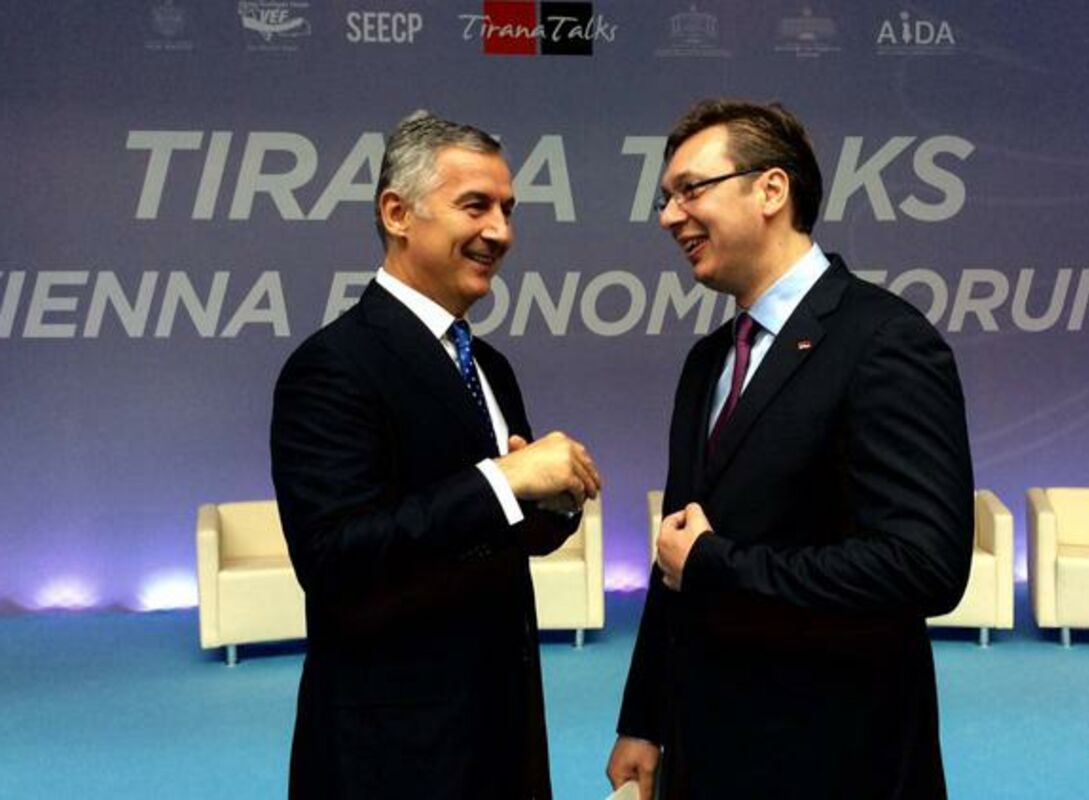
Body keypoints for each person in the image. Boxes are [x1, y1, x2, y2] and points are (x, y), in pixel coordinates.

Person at [606, 99, 974, 799]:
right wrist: (644, 721)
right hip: (706, 751)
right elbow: (676, 551)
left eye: (690, 189)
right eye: (664, 198)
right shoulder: (707, 361)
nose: (668, 216)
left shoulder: (884, 341)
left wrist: (720, 566)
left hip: (837, 758)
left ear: (771, 189)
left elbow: (924, 567)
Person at [271, 111, 600, 799]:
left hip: (504, 735)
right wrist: (502, 479)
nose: (500, 232)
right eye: (475, 206)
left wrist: (552, 504)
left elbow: (492, 534)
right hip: (393, 756)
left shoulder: (490, 366)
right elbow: (335, 560)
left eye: (508, 210)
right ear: (397, 213)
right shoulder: (332, 366)